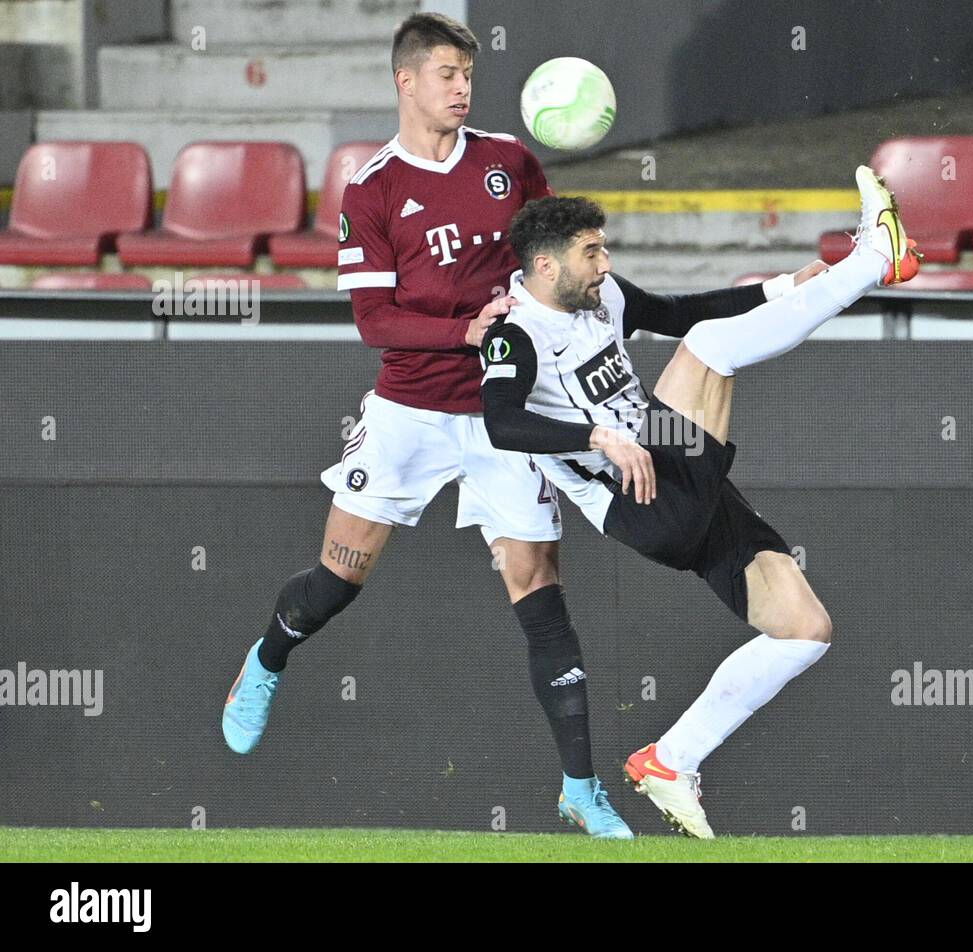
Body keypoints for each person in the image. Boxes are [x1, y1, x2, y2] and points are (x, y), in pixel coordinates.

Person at [222, 11, 709, 839]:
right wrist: (464, 329)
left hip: (505, 414)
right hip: (409, 411)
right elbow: (374, 322)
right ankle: (266, 660)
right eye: (445, 73)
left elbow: (561, 258)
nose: (460, 87)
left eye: (468, 75)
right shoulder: (371, 187)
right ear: (405, 81)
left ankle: (581, 789)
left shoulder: (510, 162)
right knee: (337, 581)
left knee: (540, 590)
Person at [478, 166, 920, 836]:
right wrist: (596, 435)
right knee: (709, 352)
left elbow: (678, 311)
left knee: (805, 629)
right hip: (640, 497)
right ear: (545, 264)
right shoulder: (514, 334)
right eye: (591, 252)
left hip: (670, 460)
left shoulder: (601, 297)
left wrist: (779, 288)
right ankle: (872, 260)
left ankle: (671, 759)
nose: (606, 262)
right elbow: (501, 423)